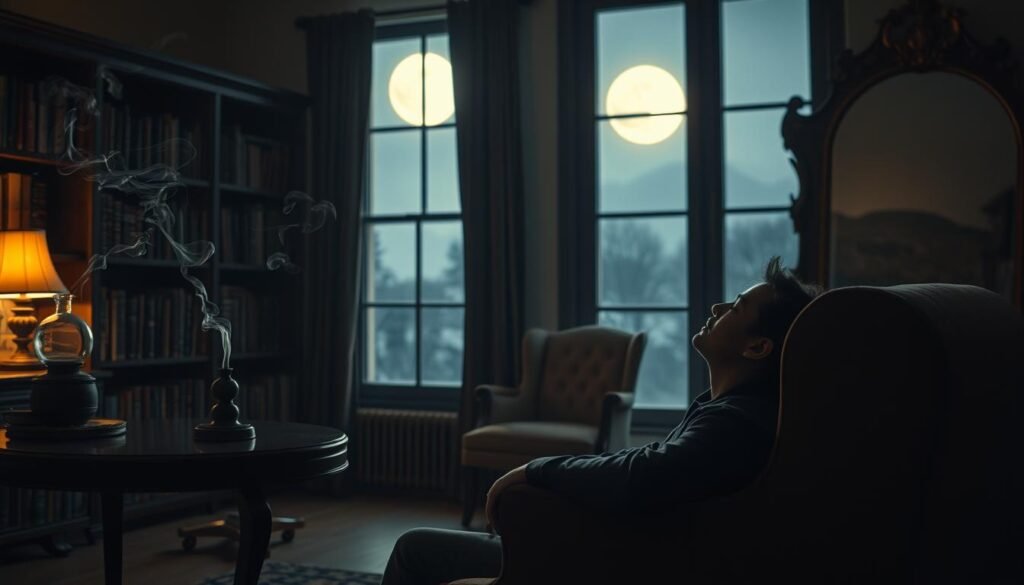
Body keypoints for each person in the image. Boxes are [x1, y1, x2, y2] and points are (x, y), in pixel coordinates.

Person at [382, 257, 821, 585]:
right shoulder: (728, 409)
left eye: (736, 308)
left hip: (609, 557)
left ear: (757, 348)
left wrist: (536, 469)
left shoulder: (735, 422)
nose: (717, 305)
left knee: (414, 547)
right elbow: (653, 462)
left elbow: (645, 474)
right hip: (612, 544)